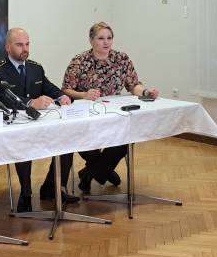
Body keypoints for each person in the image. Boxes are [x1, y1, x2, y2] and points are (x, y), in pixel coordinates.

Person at [60, 21, 159, 191]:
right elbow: (66, 90)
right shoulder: (79, 61)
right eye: (101, 38)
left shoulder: (121, 59)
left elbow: (133, 85)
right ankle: (102, 171)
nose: (106, 42)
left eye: (109, 38)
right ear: (91, 40)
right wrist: (84, 95)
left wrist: (146, 92)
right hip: (88, 114)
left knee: (127, 136)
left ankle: (91, 172)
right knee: (85, 145)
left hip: (114, 112)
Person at [0, 28, 73, 212]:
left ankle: (52, 187)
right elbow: (1, 99)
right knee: (23, 144)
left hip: (39, 121)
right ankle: (26, 193)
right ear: (8, 47)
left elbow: (48, 87)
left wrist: (61, 96)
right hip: (14, 124)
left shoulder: (35, 67)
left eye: (27, 44)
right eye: (19, 45)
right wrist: (31, 102)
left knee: (67, 138)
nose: (25, 49)